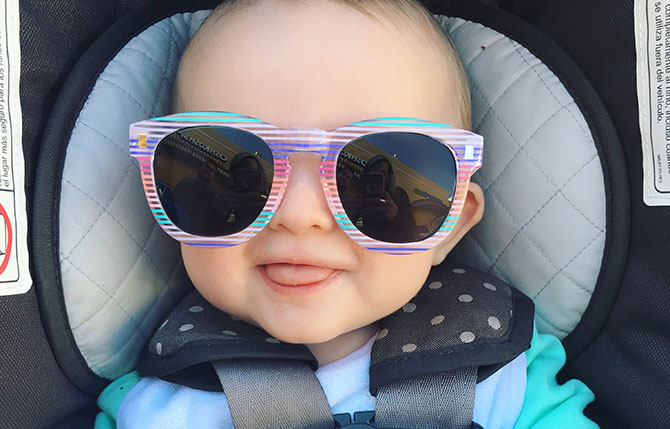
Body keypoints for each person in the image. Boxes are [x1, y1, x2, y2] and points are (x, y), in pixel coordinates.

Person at [96, 0, 598, 427]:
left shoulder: (504, 373)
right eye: (231, 171)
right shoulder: (150, 405)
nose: (298, 214)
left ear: (451, 224)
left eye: (363, 184)